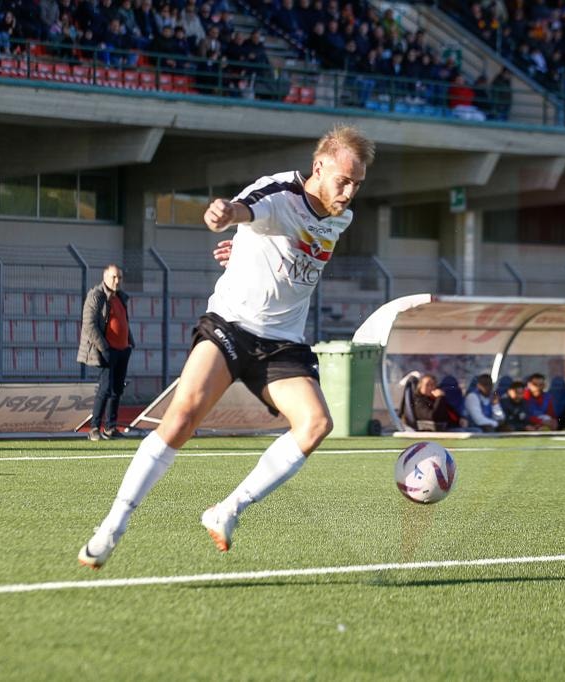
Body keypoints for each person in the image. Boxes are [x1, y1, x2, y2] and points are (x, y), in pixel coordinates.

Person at [78, 125, 375, 569]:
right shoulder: (278, 193)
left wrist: (240, 250)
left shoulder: (341, 217)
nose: (349, 192)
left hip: (282, 343)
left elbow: (286, 250)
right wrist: (225, 216)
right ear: (320, 167)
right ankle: (112, 526)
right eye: (343, 181)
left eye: (357, 184)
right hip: (231, 327)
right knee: (181, 418)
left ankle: (227, 510)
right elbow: (247, 210)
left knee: (315, 425)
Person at [77, 264, 135, 442]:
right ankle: (94, 428)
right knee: (105, 389)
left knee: (117, 390)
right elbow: (89, 324)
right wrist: (105, 347)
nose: (117, 281)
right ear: (105, 276)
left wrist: (130, 342)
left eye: (120, 278)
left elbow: (123, 321)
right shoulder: (96, 296)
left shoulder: (120, 297)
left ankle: (110, 427)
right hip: (107, 350)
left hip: (122, 349)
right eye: (114, 277)